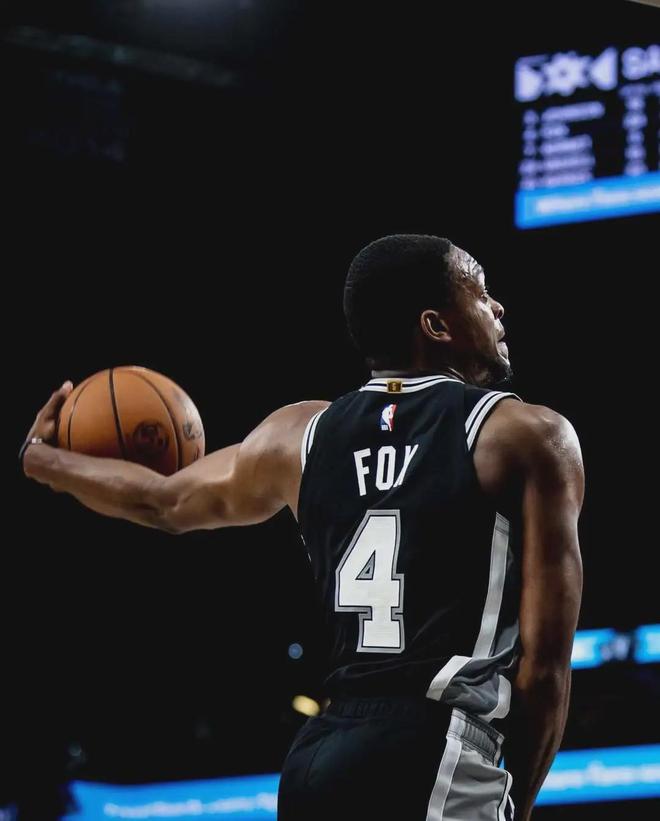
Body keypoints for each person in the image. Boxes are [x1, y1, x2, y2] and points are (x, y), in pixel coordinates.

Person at [23, 234, 584, 820]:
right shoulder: (527, 436)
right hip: (437, 745)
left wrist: (42, 460)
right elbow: (545, 669)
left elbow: (162, 501)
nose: (497, 307)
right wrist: (517, 807)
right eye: (481, 293)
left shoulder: (298, 434)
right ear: (436, 325)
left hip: (322, 756)